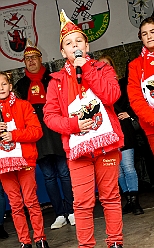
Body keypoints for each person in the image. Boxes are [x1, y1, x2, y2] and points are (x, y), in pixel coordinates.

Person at [43, 9, 124, 248]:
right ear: (62, 51)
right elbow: (49, 117)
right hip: (78, 151)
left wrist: (86, 69)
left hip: (107, 146)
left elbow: (111, 96)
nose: (74, 45)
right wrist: (73, 125)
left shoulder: (102, 69)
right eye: (68, 43)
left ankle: (115, 243)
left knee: (110, 197)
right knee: (83, 203)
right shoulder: (56, 81)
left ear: (86, 46)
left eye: (79, 41)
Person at [14, 40, 75, 229]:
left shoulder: (53, 78)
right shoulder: (20, 86)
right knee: (48, 176)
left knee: (65, 173)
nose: (31, 61)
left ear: (41, 59)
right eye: (27, 59)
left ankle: (72, 211)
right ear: (24, 63)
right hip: (37, 136)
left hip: (56, 131)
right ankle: (59, 213)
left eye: (34, 57)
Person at [0, 72, 49, 248]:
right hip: (3, 165)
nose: (1, 88)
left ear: (10, 86)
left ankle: (40, 238)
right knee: (15, 204)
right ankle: (24, 241)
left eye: (4, 84)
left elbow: (37, 131)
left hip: (25, 160)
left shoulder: (24, 105)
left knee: (31, 201)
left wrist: (13, 135)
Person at [98, 54, 144, 215]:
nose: (103, 67)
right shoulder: (96, 89)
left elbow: (135, 99)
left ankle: (135, 201)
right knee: (117, 171)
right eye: (100, 65)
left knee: (128, 167)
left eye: (106, 64)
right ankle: (129, 201)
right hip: (109, 133)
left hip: (124, 129)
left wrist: (129, 113)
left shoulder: (122, 83)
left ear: (112, 67)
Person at [127, 16, 154, 199]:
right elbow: (135, 98)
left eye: (153, 31)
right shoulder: (135, 66)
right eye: (144, 34)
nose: (149, 36)